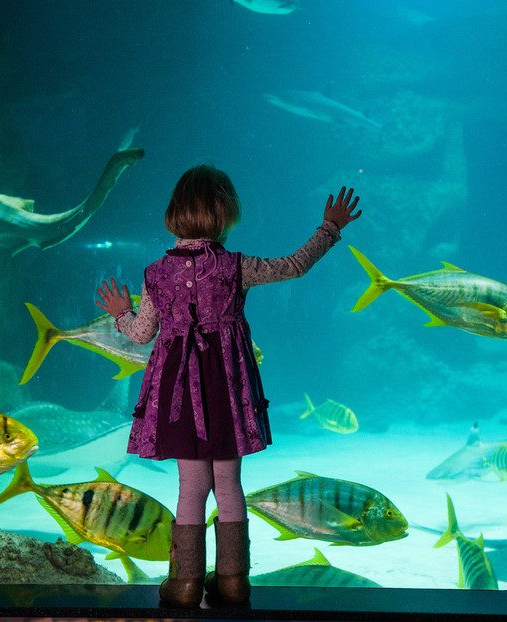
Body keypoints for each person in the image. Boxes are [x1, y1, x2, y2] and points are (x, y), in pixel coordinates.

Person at [95, 164, 361, 607]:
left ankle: (183, 584)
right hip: (226, 390)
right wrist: (329, 228)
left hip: (178, 396)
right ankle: (234, 581)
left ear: (174, 213)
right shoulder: (236, 267)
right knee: (229, 484)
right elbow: (294, 266)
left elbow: (142, 335)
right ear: (225, 214)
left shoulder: (155, 274)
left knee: (190, 488)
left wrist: (121, 312)